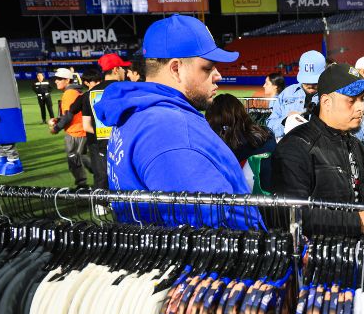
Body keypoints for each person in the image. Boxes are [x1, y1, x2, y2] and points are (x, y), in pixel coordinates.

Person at [94, 14, 262, 229]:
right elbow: (213, 226)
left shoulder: (140, 112)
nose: (218, 75)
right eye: (207, 67)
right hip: (221, 259)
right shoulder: (168, 128)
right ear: (176, 69)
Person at [270, 63, 364, 237]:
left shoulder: (355, 144)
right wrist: (356, 222)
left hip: (352, 255)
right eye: (351, 100)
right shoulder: (296, 146)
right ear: (326, 102)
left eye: (362, 99)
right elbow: (289, 214)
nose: (360, 107)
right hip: (314, 259)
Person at [206, 93, 277, 194]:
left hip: (237, 200)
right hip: (268, 199)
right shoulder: (266, 135)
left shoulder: (215, 146)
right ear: (242, 112)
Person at [82, 53, 131, 190]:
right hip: (125, 143)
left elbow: (86, 125)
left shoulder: (89, 94)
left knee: (103, 176)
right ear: (115, 69)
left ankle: (101, 206)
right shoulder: (127, 89)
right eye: (122, 68)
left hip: (102, 145)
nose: (125, 71)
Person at [267, 50, 326, 140]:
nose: (310, 85)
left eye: (314, 81)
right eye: (307, 81)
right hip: (288, 148)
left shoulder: (332, 95)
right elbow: (270, 125)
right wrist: (286, 121)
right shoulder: (287, 93)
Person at [49, 67, 91, 189]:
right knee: (82, 157)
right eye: (56, 79)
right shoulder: (74, 92)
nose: (56, 81)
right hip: (80, 130)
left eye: (59, 79)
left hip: (75, 132)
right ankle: (102, 174)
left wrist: (56, 128)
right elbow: (69, 113)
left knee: (74, 159)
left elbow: (68, 116)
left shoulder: (69, 93)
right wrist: (58, 120)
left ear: (67, 80)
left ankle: (82, 185)